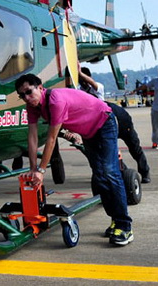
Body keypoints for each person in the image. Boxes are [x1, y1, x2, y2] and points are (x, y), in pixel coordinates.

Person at [16, 73, 133, 246]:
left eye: (28, 92)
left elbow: (51, 139)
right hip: (89, 133)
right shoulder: (32, 107)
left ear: (40, 87)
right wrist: (33, 168)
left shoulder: (56, 101)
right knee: (100, 176)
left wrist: (41, 171)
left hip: (104, 122)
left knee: (110, 172)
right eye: (22, 95)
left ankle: (125, 227)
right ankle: (116, 220)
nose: (26, 97)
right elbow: (32, 137)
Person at [79, 69, 151, 183]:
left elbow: (92, 84)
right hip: (102, 124)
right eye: (80, 80)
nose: (82, 82)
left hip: (121, 120)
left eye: (83, 78)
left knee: (134, 147)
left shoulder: (98, 87)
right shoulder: (80, 92)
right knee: (108, 151)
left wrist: (80, 73)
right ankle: (124, 173)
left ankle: (144, 171)